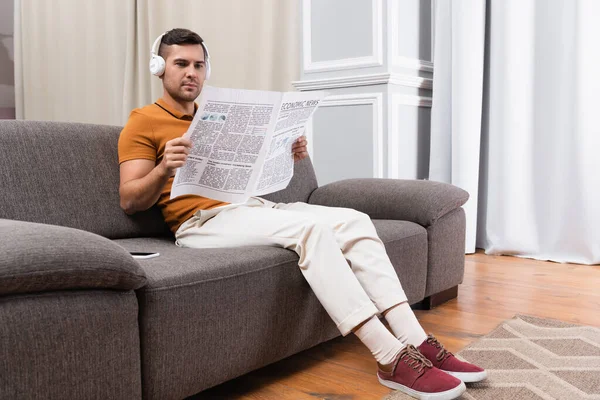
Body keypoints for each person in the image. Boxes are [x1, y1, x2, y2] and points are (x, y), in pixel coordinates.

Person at [118, 28, 486, 400]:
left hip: (249, 208)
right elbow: (130, 200)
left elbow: (249, 175)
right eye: (180, 63)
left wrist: (284, 151)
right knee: (311, 231)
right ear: (159, 67)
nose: (191, 72)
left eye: (198, 64)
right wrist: (163, 168)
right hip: (200, 223)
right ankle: (389, 357)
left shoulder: (217, 117)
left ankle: (415, 339)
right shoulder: (143, 121)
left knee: (354, 220)